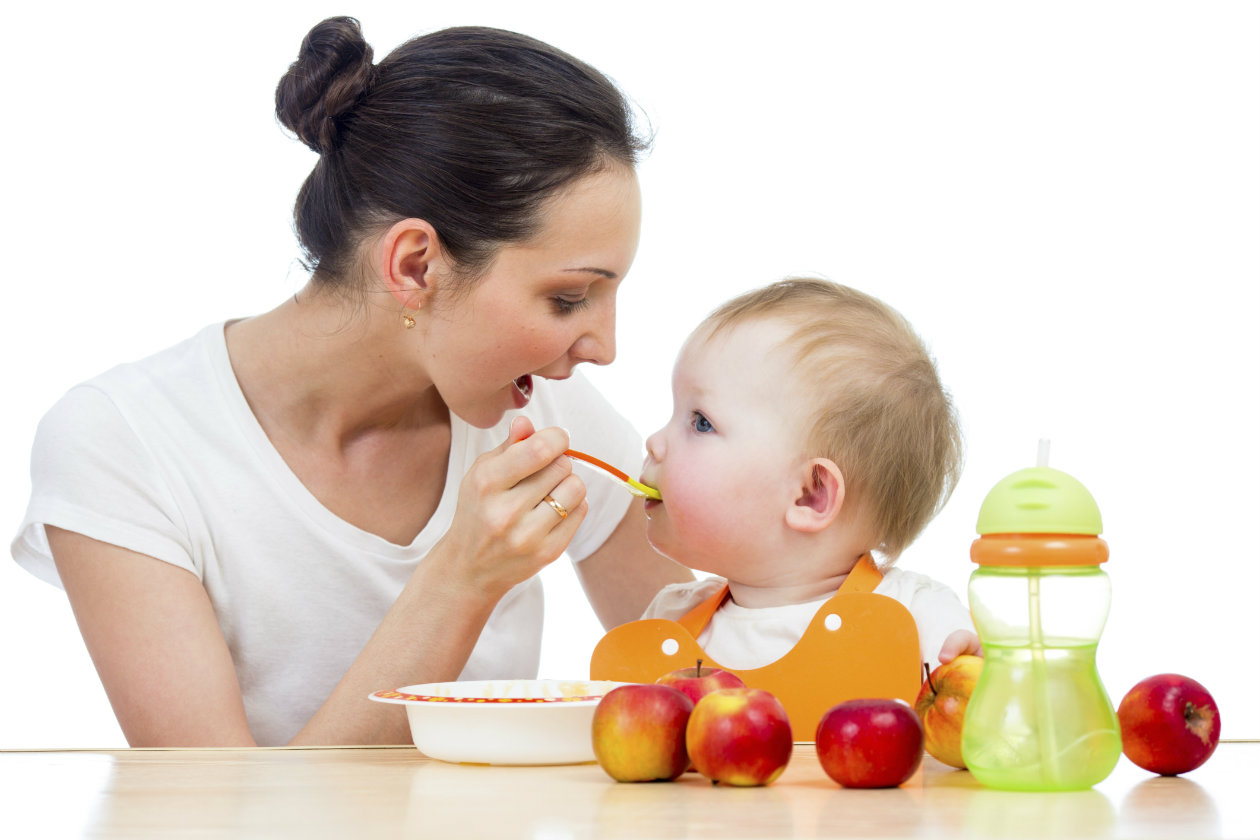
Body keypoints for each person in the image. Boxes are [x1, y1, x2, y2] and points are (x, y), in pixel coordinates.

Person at [10, 17, 690, 747]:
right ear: (414, 266)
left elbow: (717, 690)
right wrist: (459, 579)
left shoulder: (537, 409)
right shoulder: (125, 444)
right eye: (567, 299)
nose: (605, 348)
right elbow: (214, 817)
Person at [637, 278, 980, 670]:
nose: (654, 442)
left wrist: (976, 675)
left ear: (810, 494)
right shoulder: (667, 623)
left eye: (700, 423)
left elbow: (976, 712)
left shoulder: (921, 620)